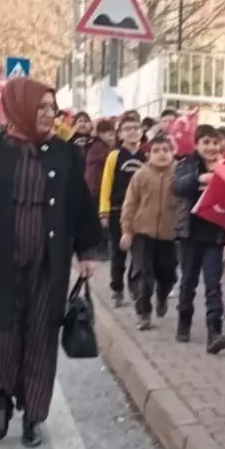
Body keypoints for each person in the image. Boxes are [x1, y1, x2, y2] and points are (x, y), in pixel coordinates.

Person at [0, 76, 101, 447]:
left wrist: (87, 251)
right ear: (20, 108)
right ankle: (2, 400)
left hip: (47, 266)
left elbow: (80, 206)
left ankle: (33, 415)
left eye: (51, 108)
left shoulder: (64, 153)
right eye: (40, 108)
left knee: (40, 338)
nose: (48, 114)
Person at [173, 124, 225, 353]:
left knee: (214, 284)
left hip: (215, 235)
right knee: (188, 281)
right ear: (197, 145)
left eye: (215, 143)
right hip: (190, 233)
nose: (211, 147)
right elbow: (177, 186)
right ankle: (184, 321)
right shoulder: (188, 164)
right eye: (206, 142)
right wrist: (199, 179)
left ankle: (214, 331)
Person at [120, 131, 179, 331]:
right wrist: (127, 230)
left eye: (165, 150)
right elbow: (130, 204)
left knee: (167, 273)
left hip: (170, 235)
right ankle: (143, 313)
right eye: (156, 151)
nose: (161, 154)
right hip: (142, 232)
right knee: (143, 274)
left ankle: (162, 296)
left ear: (173, 153)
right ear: (149, 155)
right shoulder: (141, 175)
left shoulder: (179, 175)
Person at [99, 113, 146, 305]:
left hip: (141, 211)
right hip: (118, 210)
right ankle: (116, 289)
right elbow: (106, 184)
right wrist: (104, 211)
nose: (133, 132)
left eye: (136, 128)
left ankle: (135, 287)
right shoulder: (114, 156)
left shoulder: (146, 156)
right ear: (120, 134)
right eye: (128, 129)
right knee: (118, 253)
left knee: (139, 253)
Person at [84, 118, 116, 259]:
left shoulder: (100, 146)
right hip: (96, 187)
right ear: (102, 133)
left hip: (96, 187)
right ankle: (99, 250)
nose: (112, 137)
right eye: (110, 134)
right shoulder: (98, 146)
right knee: (99, 221)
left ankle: (99, 249)